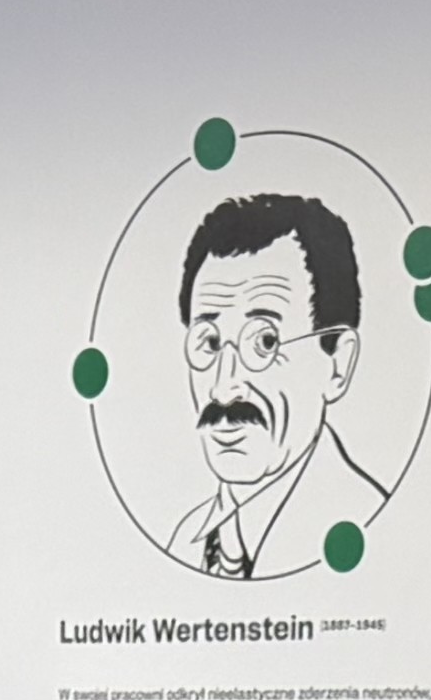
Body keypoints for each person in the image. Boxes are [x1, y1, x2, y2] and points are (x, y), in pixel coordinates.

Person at [169, 197, 395, 582]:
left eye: (265, 342)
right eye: (210, 343)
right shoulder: (183, 543)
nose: (224, 389)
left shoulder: (371, 529)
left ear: (337, 364)